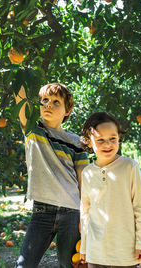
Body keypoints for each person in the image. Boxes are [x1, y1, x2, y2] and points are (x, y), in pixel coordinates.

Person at [14, 83, 89, 268]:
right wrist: (16, 65)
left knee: (69, 264)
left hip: (71, 212)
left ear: (67, 110)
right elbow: (20, 99)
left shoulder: (77, 142)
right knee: (24, 264)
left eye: (56, 102)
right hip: (42, 212)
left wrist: (85, 218)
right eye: (45, 100)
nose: (48, 105)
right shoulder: (33, 129)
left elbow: (83, 182)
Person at [79, 112, 141, 268]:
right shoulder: (87, 173)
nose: (107, 144)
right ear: (89, 142)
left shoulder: (129, 166)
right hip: (96, 251)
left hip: (125, 251)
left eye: (112, 139)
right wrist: (84, 248)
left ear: (119, 137)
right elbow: (85, 212)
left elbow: (140, 208)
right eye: (100, 140)